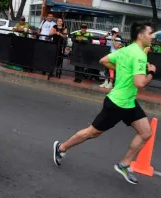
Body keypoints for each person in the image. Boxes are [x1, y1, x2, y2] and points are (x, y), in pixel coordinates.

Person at [53, 21, 157, 185]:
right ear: (141, 35)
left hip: (128, 102)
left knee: (146, 132)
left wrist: (122, 70)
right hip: (116, 104)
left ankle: (124, 164)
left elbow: (104, 60)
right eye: (150, 33)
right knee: (92, 133)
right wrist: (151, 72)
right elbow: (140, 83)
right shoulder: (138, 54)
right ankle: (61, 147)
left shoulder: (127, 49)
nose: (152, 37)